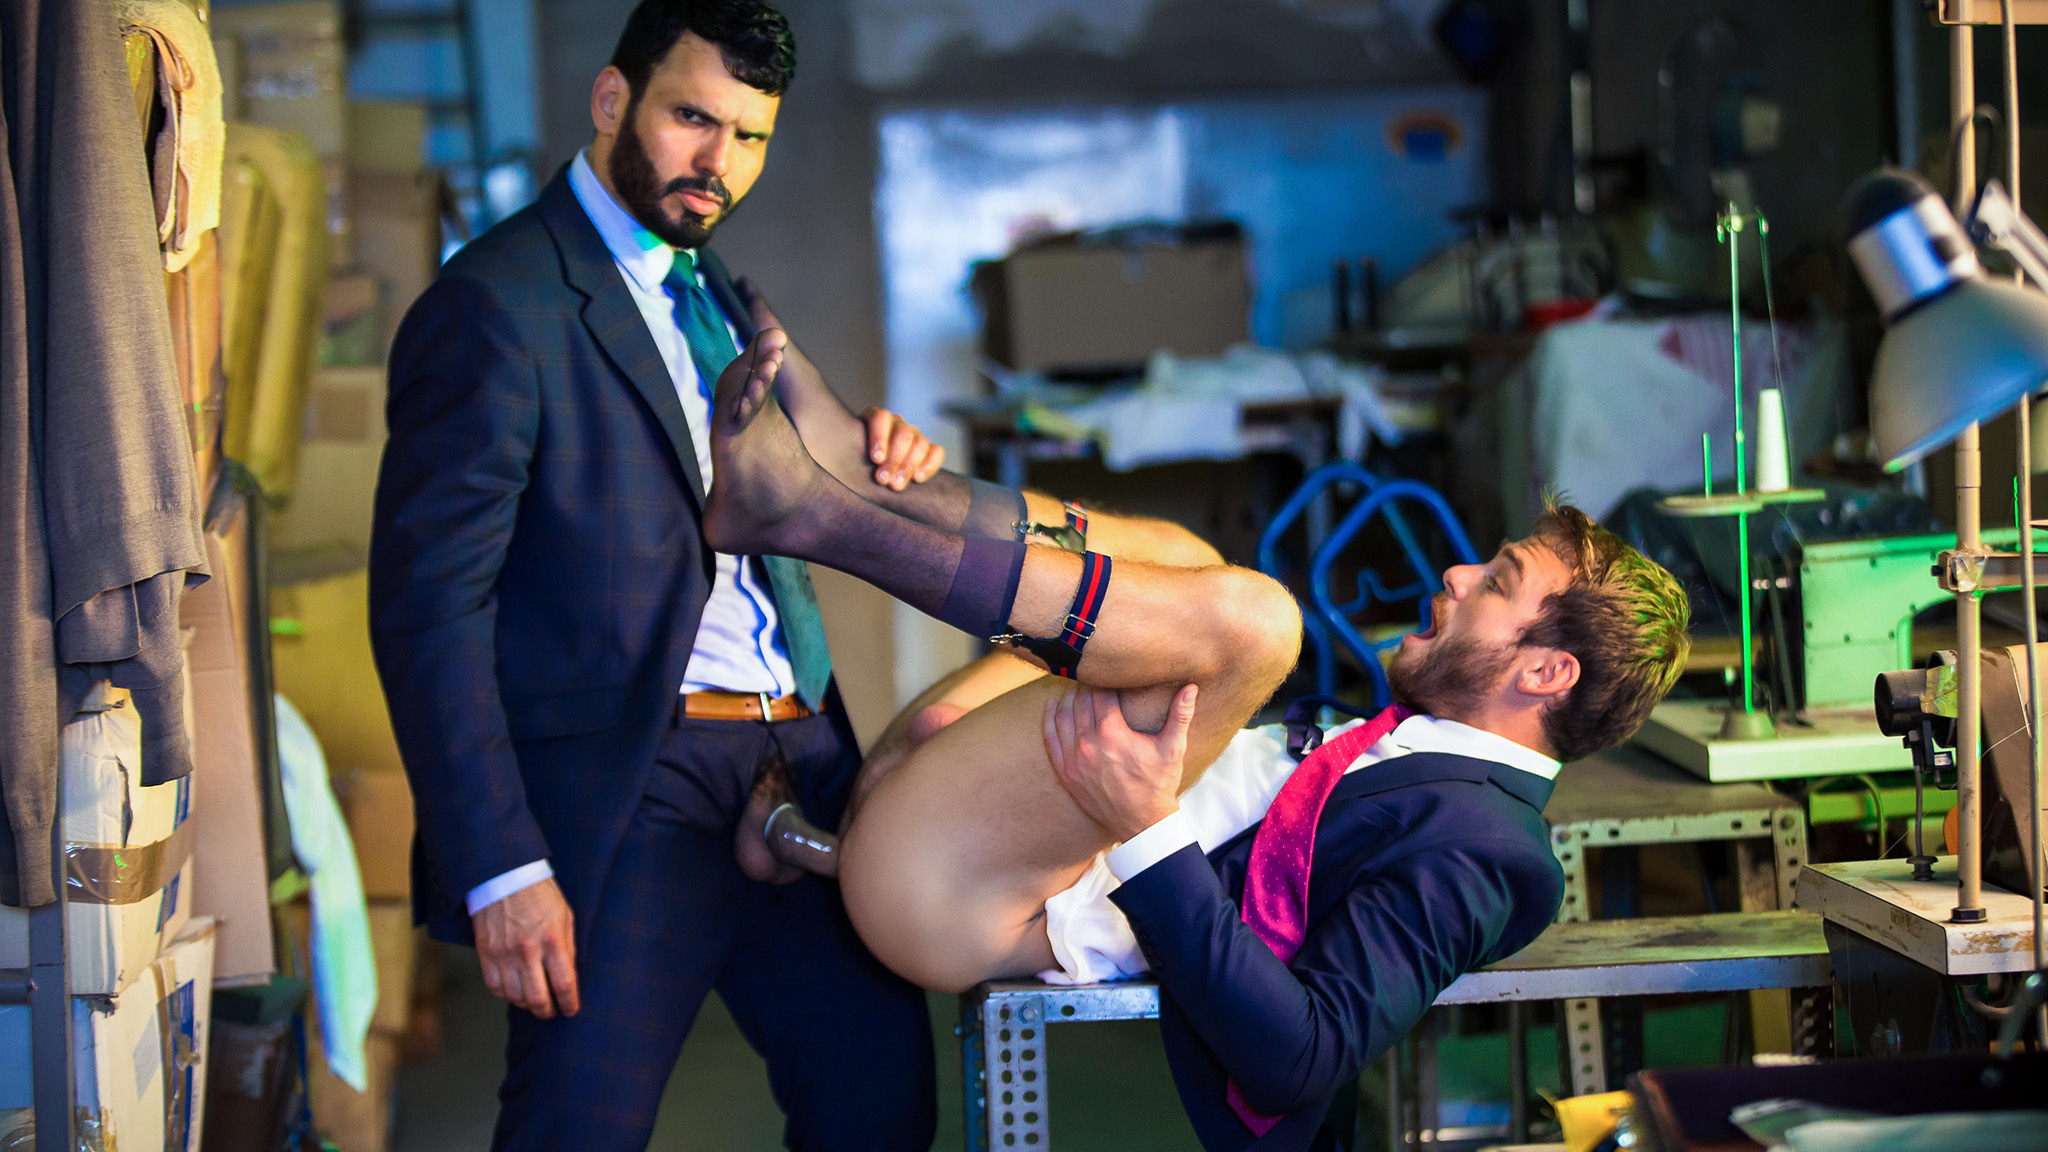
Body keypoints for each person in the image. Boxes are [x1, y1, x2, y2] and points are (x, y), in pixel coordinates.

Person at [700, 331, 1690, 1149]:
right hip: (948, 824)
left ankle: (812, 517)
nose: (1457, 574)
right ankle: (862, 480)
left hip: (970, 898)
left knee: (1257, 623)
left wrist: (1146, 827)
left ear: (1544, 673)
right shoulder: (1412, 748)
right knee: (1185, 561)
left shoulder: (1490, 852)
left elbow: (1300, 1055)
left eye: (1497, 583)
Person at [367, 3, 953, 1148]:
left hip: (798, 758)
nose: (718, 161)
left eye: (750, 136)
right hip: (636, 783)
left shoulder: (714, 290)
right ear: (610, 100)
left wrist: (873, 447)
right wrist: (500, 867)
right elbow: (429, 608)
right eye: (692, 118)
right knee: (575, 1133)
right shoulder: (494, 304)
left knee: (879, 1112)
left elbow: (790, 481)